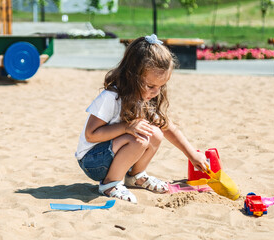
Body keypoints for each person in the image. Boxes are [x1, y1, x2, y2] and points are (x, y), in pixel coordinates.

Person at [75, 34, 207, 204]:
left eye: (161, 86)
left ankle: (135, 176)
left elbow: (168, 128)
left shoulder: (143, 97)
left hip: (115, 155)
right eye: (151, 86)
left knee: (156, 133)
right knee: (139, 139)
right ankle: (109, 184)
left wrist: (192, 155)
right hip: (93, 162)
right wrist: (126, 127)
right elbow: (91, 135)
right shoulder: (111, 97)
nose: (156, 92)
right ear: (132, 76)